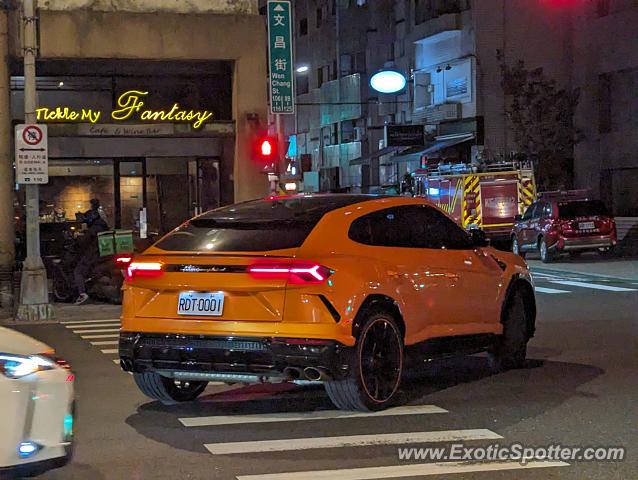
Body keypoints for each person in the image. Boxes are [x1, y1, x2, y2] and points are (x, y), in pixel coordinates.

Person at [73, 199, 109, 305]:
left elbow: (84, 241)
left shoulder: (94, 229)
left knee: (78, 271)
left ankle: (82, 294)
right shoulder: (103, 226)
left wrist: (78, 237)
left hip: (92, 254)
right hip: (102, 255)